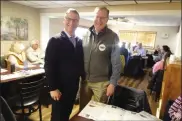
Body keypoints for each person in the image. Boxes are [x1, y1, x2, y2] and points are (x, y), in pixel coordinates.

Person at [44, 8, 85, 121]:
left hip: (73, 87)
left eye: (75, 20)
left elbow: (79, 62)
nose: (71, 22)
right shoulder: (55, 40)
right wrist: (53, 88)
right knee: (58, 116)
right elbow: (48, 65)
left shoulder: (79, 41)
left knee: (67, 113)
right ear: (64, 20)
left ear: (78, 22)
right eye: (69, 19)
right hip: (59, 88)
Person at [80, 7, 121, 110]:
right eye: (97, 17)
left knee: (99, 112)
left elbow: (116, 63)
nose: (99, 20)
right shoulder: (85, 34)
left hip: (102, 83)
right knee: (83, 110)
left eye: (102, 18)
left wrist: (113, 83)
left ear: (107, 19)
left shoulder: (113, 37)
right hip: (85, 81)